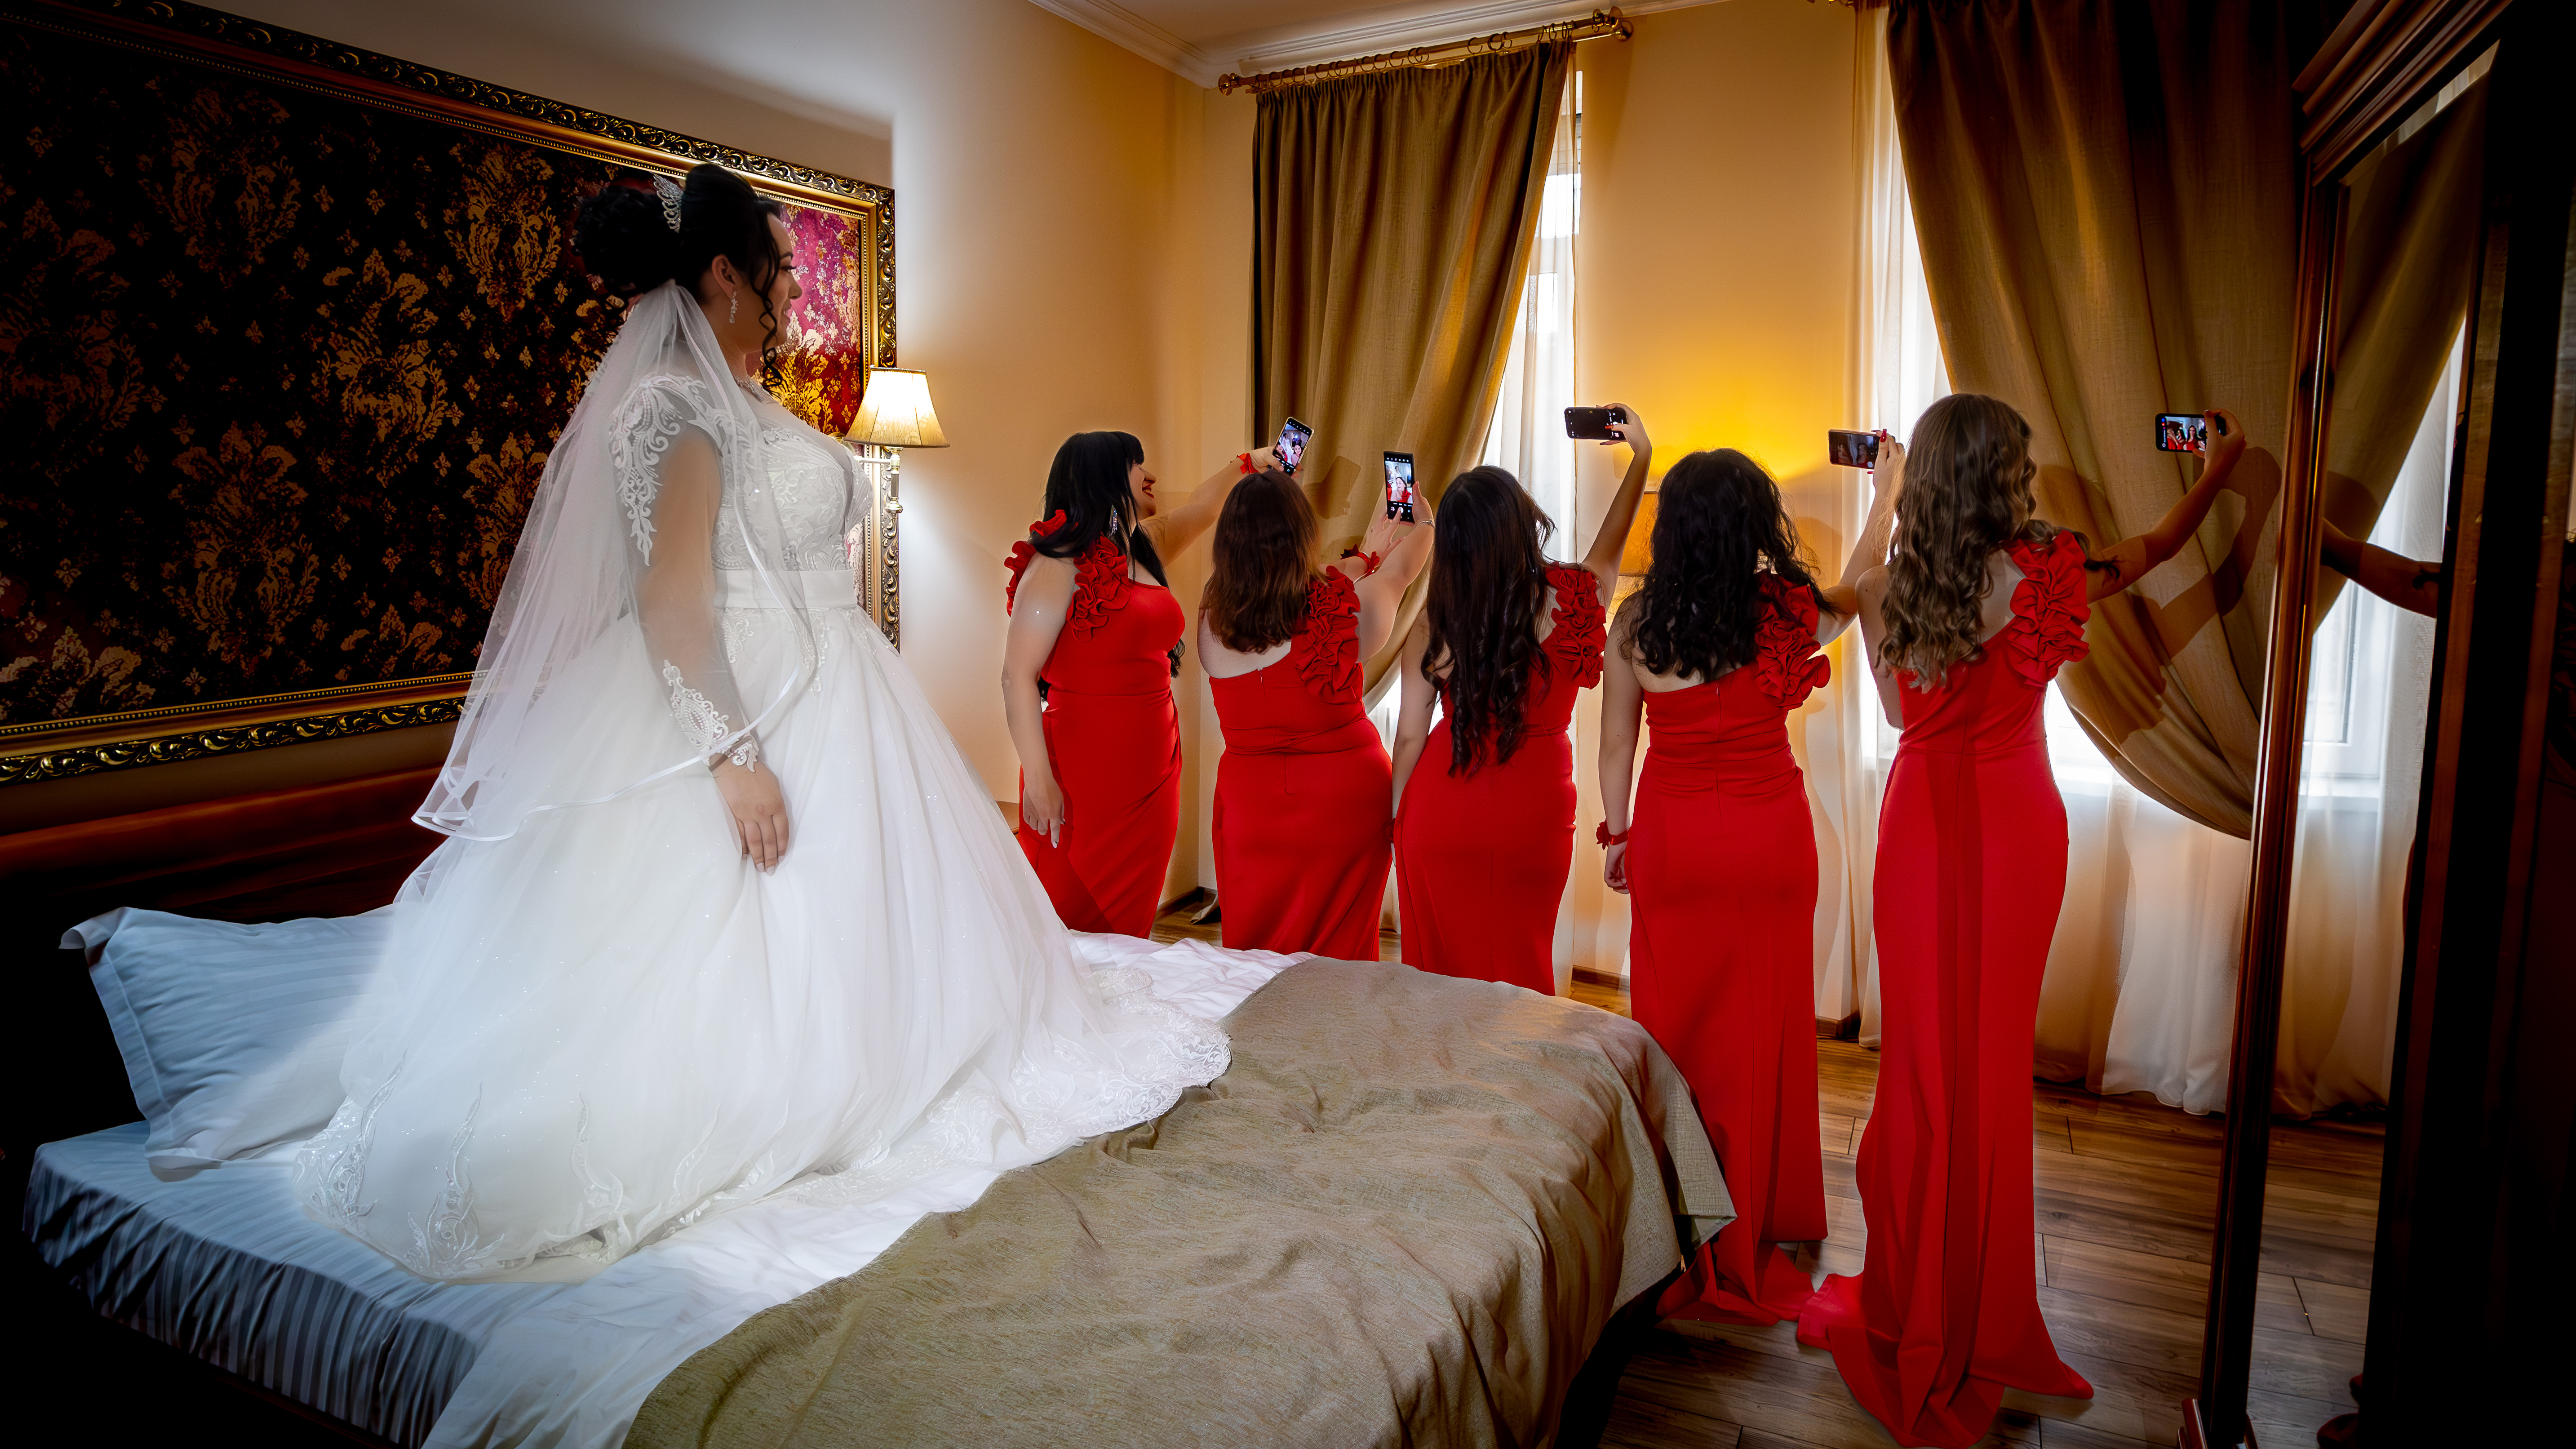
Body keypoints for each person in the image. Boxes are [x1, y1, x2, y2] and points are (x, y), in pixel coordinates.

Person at [288, 164, 1230, 1280]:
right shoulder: (670, 410)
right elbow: (671, 600)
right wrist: (735, 758)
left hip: (839, 684)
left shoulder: (739, 399)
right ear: (726, 276)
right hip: (749, 700)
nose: (792, 290)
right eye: (779, 269)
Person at [1797, 396, 2248, 1447]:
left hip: (1922, 831)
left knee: (1922, 1067)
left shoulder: (1884, 587)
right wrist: (2218, 474)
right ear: (2008, 472)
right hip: (2018, 833)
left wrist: (1878, 506)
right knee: (1989, 1070)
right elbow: (2158, 550)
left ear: (1918, 478)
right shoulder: (2053, 567)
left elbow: (1902, 715)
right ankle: (1984, 1304)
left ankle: (1917, 1291)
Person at [1595, 443, 1900, 1326]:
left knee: (1676, 1030)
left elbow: (1614, 746)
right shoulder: (1785, 614)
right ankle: (1762, 1205)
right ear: (1752, 525)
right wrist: (1885, 495)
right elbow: (1860, 584)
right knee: (1764, 1027)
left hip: (1676, 839)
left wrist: (1618, 833)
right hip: (1769, 841)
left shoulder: (1634, 622)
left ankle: (1683, 1215)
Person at [1390, 409, 1654, 993]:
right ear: (1521, 523)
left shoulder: (1437, 622)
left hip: (1441, 805)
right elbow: (1610, 545)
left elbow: (1409, 738)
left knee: (1437, 986)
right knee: (1519, 969)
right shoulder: (1578, 597)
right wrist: (1642, 458)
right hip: (1534, 811)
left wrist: (1394, 821)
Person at [1003, 436, 1260, 935]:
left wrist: (1250, 463)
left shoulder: (1143, 547)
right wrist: (1038, 780)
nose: (1150, 475)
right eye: (1135, 464)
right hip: (1082, 779)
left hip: (1153, 774)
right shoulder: (1056, 566)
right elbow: (1017, 677)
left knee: (1131, 925)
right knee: (1069, 922)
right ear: (1102, 476)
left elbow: (1204, 508)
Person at [1197, 471, 1433, 959]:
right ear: (1303, 536)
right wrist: (1425, 525)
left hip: (1251, 806)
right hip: (1342, 803)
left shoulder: (1211, 613)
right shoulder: (1346, 613)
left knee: (1257, 955)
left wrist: (1363, 557)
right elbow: (1400, 573)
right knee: (1340, 957)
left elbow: (1296, 583)